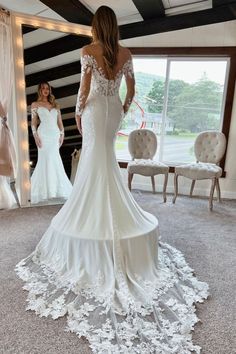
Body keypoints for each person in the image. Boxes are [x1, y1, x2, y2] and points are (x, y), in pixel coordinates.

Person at [16, 6, 208, 353]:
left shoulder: (88, 51)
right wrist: (122, 104)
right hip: (113, 111)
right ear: (115, 26)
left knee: (93, 158)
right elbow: (130, 88)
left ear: (95, 26)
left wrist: (76, 113)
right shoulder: (126, 53)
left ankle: (91, 213)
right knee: (104, 158)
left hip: (93, 111)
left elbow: (84, 88)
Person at [30, 82, 72, 204]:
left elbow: (60, 122)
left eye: (47, 88)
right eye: (43, 88)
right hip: (43, 135)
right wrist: (35, 136)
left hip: (54, 136)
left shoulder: (55, 105)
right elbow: (33, 122)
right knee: (44, 160)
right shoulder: (35, 104)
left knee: (55, 160)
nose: (45, 90)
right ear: (40, 91)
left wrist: (62, 134)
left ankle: (56, 190)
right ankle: (42, 191)